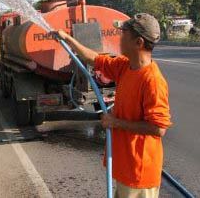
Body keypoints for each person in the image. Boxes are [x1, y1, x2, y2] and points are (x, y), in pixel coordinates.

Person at [53, 13, 171, 198]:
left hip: (138, 172)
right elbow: (95, 59)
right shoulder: (125, 66)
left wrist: (116, 123)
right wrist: (68, 39)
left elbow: (158, 128)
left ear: (138, 42)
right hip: (125, 166)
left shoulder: (152, 81)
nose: (119, 38)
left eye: (124, 35)